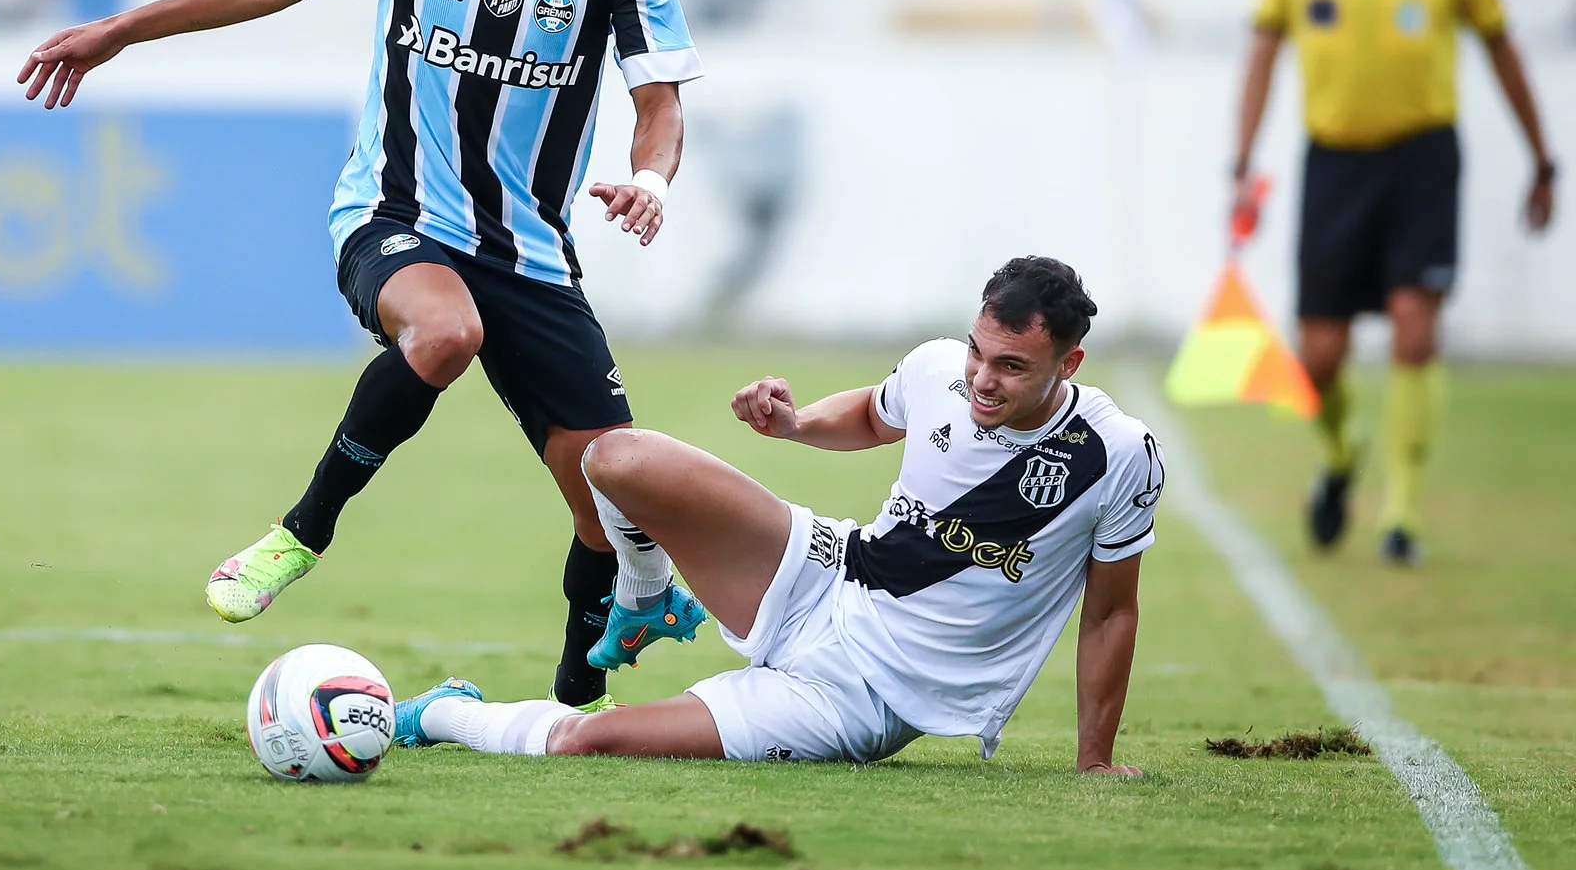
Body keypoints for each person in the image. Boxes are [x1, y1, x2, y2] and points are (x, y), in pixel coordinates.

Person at [17, 0, 702, 710]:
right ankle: (300, 532)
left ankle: (575, 702)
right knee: (444, 330)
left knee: (610, 492)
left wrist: (651, 180)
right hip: (394, 213)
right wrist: (122, 30)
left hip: (529, 251)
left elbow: (658, 102)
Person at [391, 256, 1162, 773]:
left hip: (861, 697)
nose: (982, 380)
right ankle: (647, 595)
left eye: (1011, 367)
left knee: (588, 740)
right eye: (978, 352)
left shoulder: (1118, 455)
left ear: (1069, 364)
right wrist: (796, 424)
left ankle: (445, 715)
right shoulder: (938, 370)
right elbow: (871, 411)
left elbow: (1109, 615)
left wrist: (1095, 760)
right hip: (828, 572)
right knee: (614, 459)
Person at [1232, 0, 1556, 566]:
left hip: (1421, 159)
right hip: (1334, 163)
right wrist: (1242, 164)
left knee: (1416, 329)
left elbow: (1501, 46)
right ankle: (1342, 457)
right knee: (1317, 358)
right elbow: (1264, 51)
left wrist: (1542, 158)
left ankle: (1401, 515)